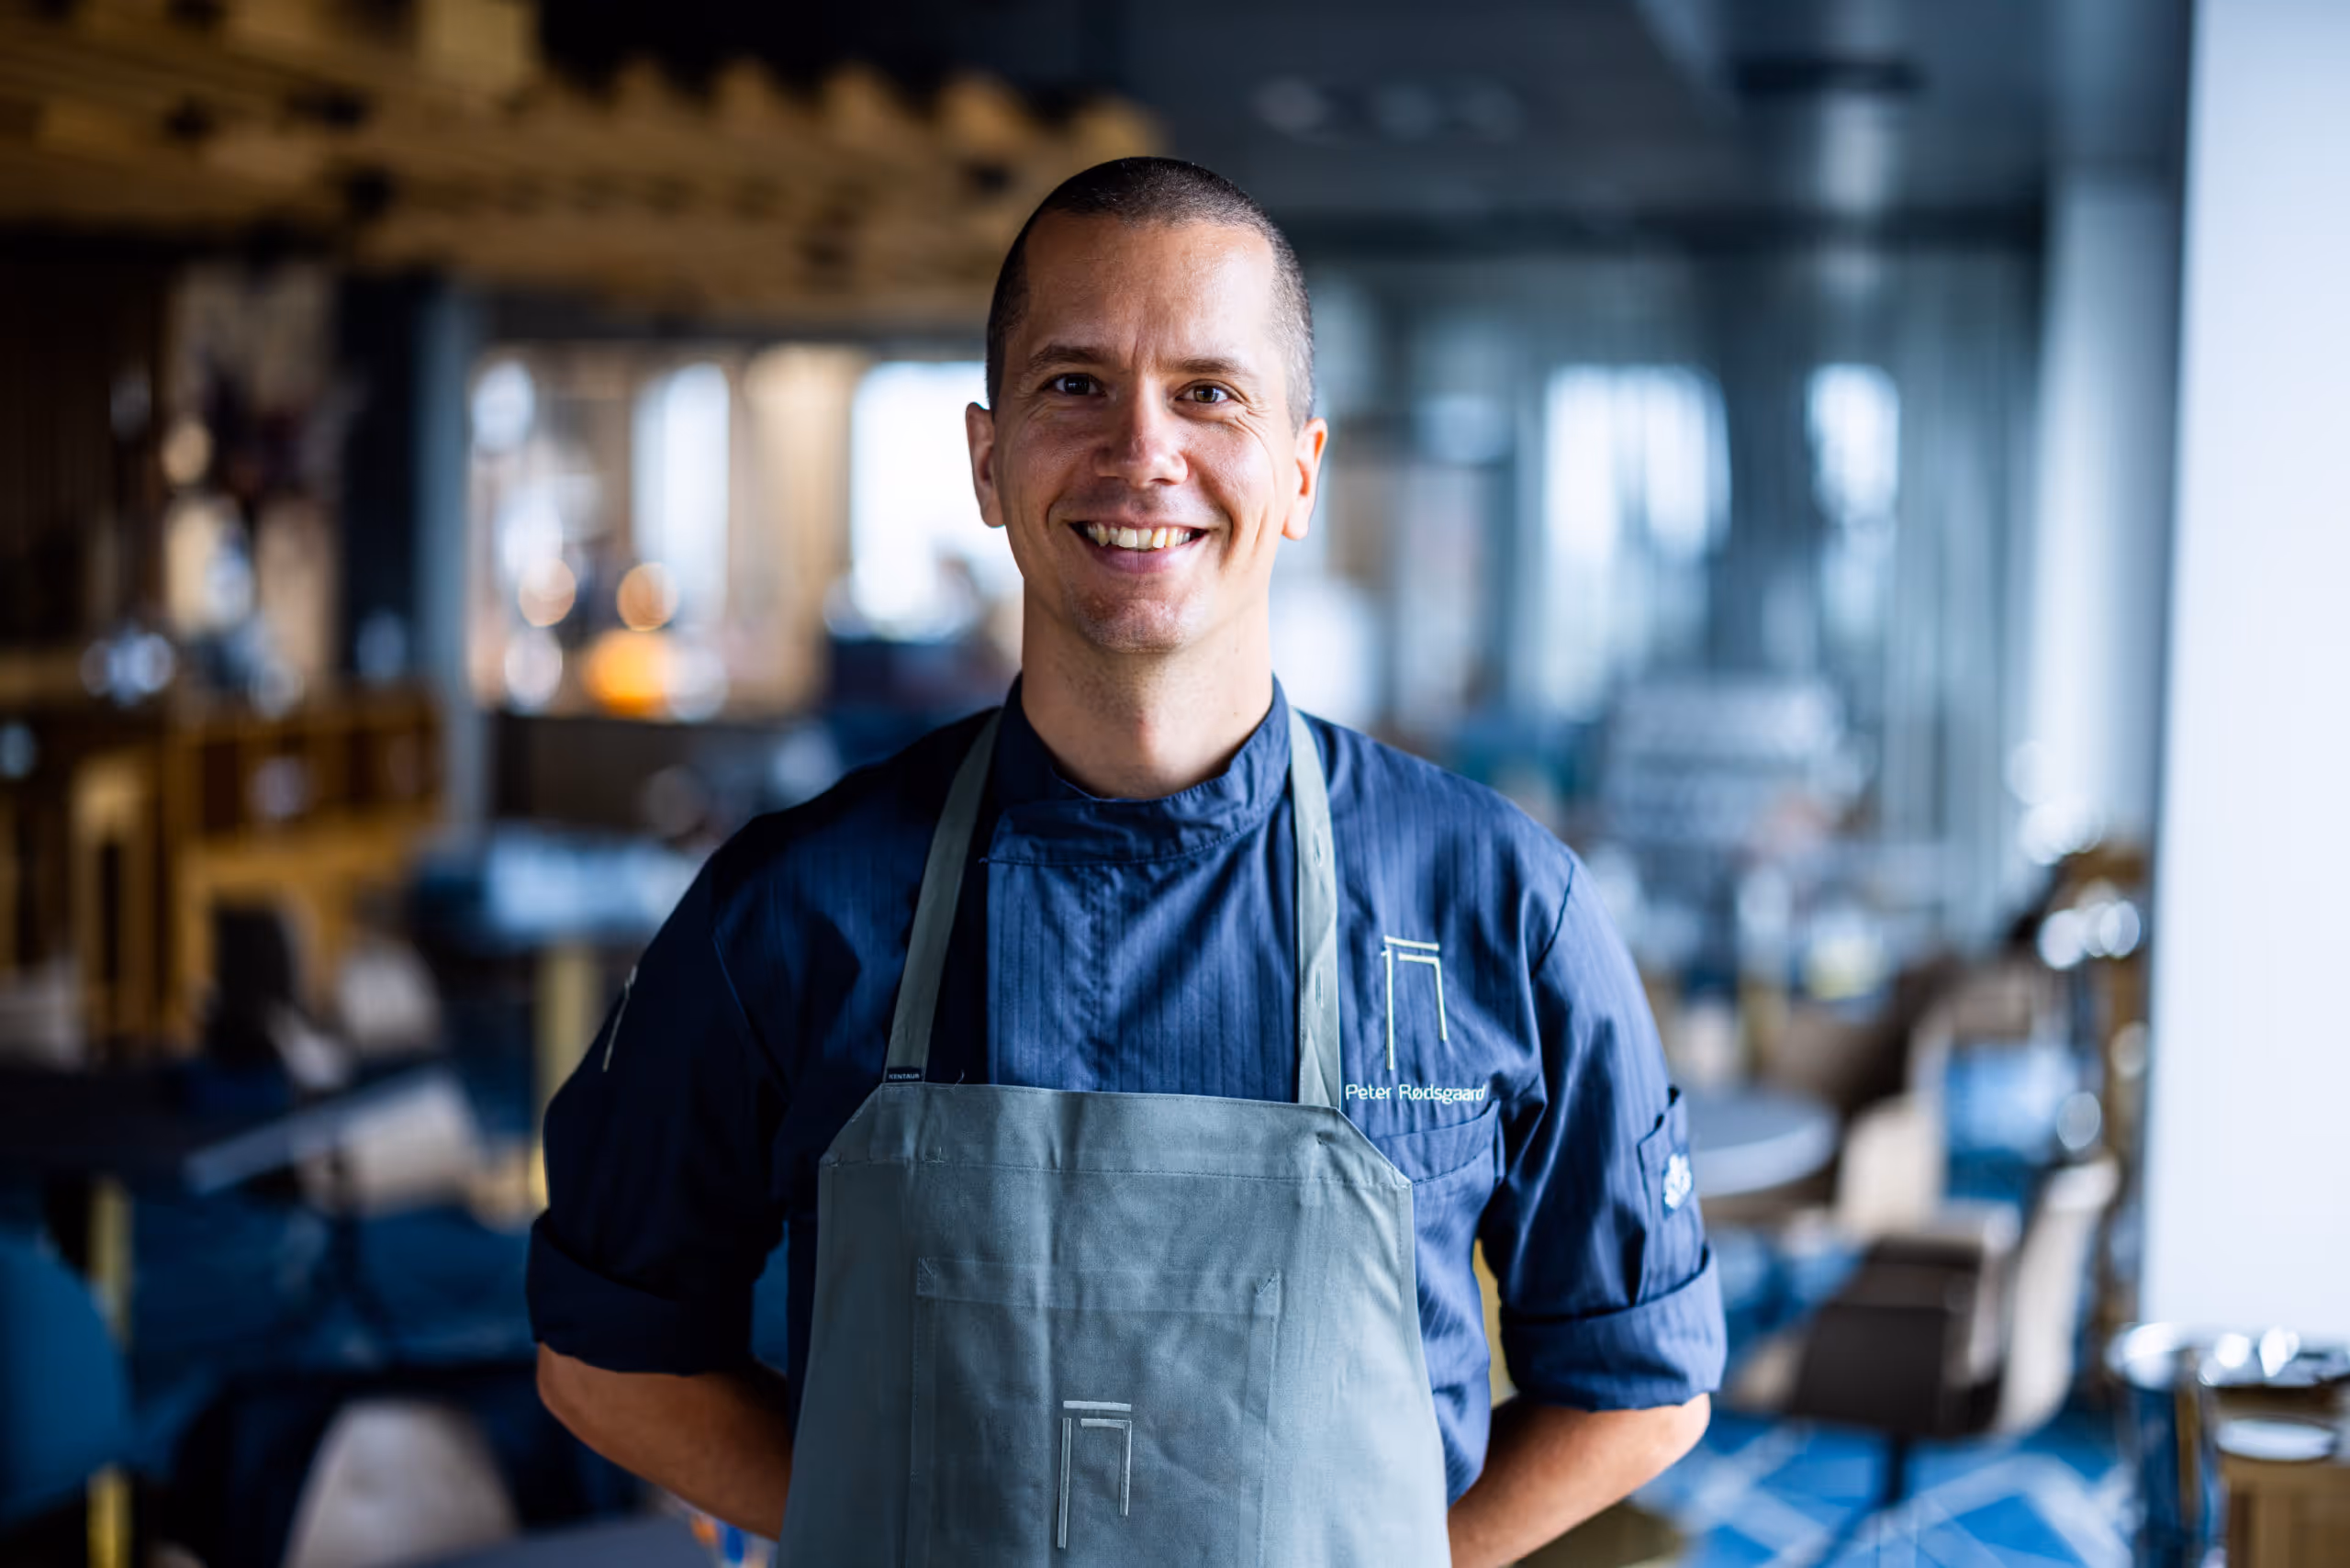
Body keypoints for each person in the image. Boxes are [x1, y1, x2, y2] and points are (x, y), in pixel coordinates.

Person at [531, 157, 1723, 1567]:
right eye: (1074, 385)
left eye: (1209, 392)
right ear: (989, 459)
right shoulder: (788, 911)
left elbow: (1642, 1384)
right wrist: (901, 1524)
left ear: (1299, 471)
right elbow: (608, 1356)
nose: (1141, 451)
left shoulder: (1500, 909)